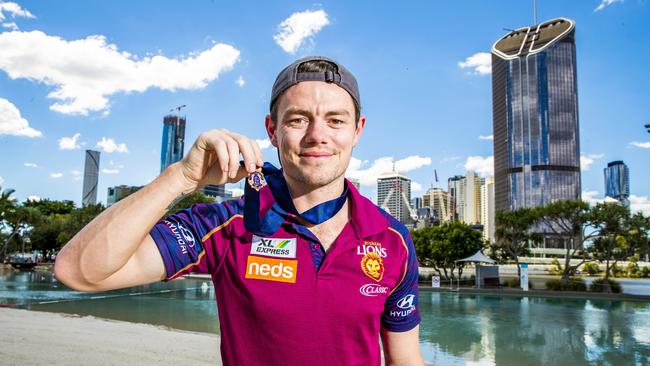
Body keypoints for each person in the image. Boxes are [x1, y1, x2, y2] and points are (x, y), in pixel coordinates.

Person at [54, 56, 424, 366]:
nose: (317, 134)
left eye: (335, 119)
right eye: (297, 119)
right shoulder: (225, 225)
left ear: (357, 130)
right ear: (272, 130)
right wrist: (180, 178)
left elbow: (404, 359)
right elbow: (80, 272)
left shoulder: (393, 240)